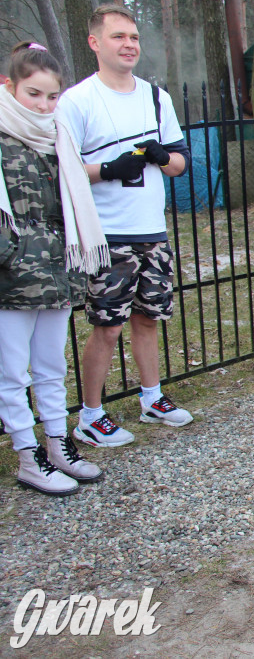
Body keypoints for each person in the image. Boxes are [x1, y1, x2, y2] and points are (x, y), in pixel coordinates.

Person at [57, 4, 192, 447]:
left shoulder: (156, 98)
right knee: (107, 325)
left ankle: (151, 398)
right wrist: (108, 169)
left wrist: (159, 156)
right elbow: (64, 170)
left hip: (152, 230)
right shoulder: (77, 100)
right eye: (118, 37)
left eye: (133, 37)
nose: (129, 44)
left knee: (148, 319)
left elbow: (180, 162)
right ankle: (90, 416)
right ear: (95, 42)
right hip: (106, 235)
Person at [0, 42, 107, 495]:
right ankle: (28, 455)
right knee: (11, 371)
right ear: (9, 87)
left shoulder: (57, 136)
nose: (43, 105)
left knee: (50, 366)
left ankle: (58, 445)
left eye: (51, 96)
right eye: (34, 94)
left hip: (59, 269)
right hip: (11, 277)